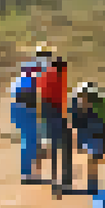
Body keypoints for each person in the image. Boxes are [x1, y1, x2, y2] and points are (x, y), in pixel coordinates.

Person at [69, 82, 105, 195]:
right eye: (81, 96)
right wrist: (79, 142)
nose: (83, 99)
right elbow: (75, 126)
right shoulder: (75, 107)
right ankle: (93, 186)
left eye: (86, 96)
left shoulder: (101, 105)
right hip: (90, 136)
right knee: (93, 158)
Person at [37, 48, 73, 196]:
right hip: (57, 113)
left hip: (49, 113)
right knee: (65, 147)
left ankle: (55, 181)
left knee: (53, 150)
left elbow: (42, 96)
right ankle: (65, 180)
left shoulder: (46, 74)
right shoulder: (58, 73)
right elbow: (62, 97)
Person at [9, 60, 44, 183]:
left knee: (28, 142)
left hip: (18, 113)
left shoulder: (18, 81)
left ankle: (28, 172)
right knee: (30, 143)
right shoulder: (30, 81)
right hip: (26, 113)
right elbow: (31, 101)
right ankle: (27, 173)